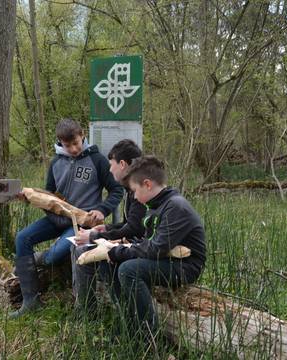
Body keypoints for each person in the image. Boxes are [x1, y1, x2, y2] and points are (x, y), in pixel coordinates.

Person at [80, 156, 206, 338]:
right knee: (108, 263)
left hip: (186, 266)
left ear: (147, 184)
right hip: (166, 258)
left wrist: (116, 252)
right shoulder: (156, 205)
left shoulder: (176, 206)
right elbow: (147, 243)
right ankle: (129, 321)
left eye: (135, 191)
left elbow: (155, 249)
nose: (135, 197)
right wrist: (115, 249)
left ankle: (147, 336)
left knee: (129, 269)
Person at [10, 118, 123, 318]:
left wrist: (102, 210)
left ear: (83, 137)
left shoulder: (97, 160)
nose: (72, 149)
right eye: (67, 145)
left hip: (81, 223)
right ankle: (30, 301)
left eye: (76, 143)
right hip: (57, 219)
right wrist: (30, 198)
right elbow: (50, 195)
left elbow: (116, 190)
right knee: (22, 237)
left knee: (54, 256)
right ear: (60, 142)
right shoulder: (55, 162)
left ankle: (32, 260)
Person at [72, 139, 145, 313]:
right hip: (135, 242)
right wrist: (106, 229)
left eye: (111, 165)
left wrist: (93, 237)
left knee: (84, 250)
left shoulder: (141, 187)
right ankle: (86, 306)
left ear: (122, 164)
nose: (110, 169)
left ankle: (88, 312)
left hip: (140, 246)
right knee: (80, 248)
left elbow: (134, 229)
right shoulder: (131, 187)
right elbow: (130, 223)